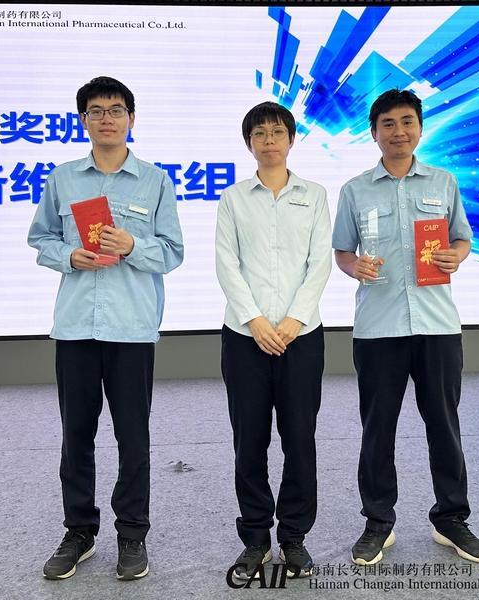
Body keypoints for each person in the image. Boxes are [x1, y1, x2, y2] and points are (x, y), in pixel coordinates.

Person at [28, 76, 183, 581]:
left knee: (133, 437)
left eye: (116, 110)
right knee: (76, 435)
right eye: (96, 111)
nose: (107, 119)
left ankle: (132, 533)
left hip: (132, 328)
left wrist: (133, 246)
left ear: (131, 119)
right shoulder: (63, 178)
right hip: (76, 327)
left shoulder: (155, 181)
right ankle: (79, 531)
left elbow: (173, 252)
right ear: (83, 121)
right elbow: (41, 238)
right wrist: (69, 255)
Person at [331, 89, 479, 566]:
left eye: (407, 122)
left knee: (444, 424)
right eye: (388, 123)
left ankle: (451, 519)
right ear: (374, 132)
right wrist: (354, 266)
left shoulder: (443, 182)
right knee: (377, 429)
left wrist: (456, 256)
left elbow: (462, 237)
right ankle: (378, 522)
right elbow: (342, 251)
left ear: (419, 128)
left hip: (436, 325)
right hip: (378, 328)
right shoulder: (355, 189)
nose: (398, 132)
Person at [215, 101, 332, 580]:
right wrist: (257, 321)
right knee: (250, 440)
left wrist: (293, 320)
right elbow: (227, 263)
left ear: (291, 139)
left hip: (301, 337)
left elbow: (319, 262)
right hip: (246, 337)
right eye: (260, 133)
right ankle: (256, 538)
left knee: (300, 438)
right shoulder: (233, 198)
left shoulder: (314, 195)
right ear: (249, 143)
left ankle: (295, 537)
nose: (269, 140)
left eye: (277, 132)